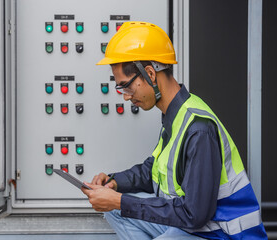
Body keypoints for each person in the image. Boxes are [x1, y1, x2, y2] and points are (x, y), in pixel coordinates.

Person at [81, 21, 267, 239]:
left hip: (223, 233)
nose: (125, 95)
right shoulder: (175, 115)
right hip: (198, 228)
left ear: (150, 74)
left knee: (123, 206)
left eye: (126, 85)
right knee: (115, 210)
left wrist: (120, 200)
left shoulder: (198, 129)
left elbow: (194, 214)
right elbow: (153, 172)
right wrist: (115, 182)